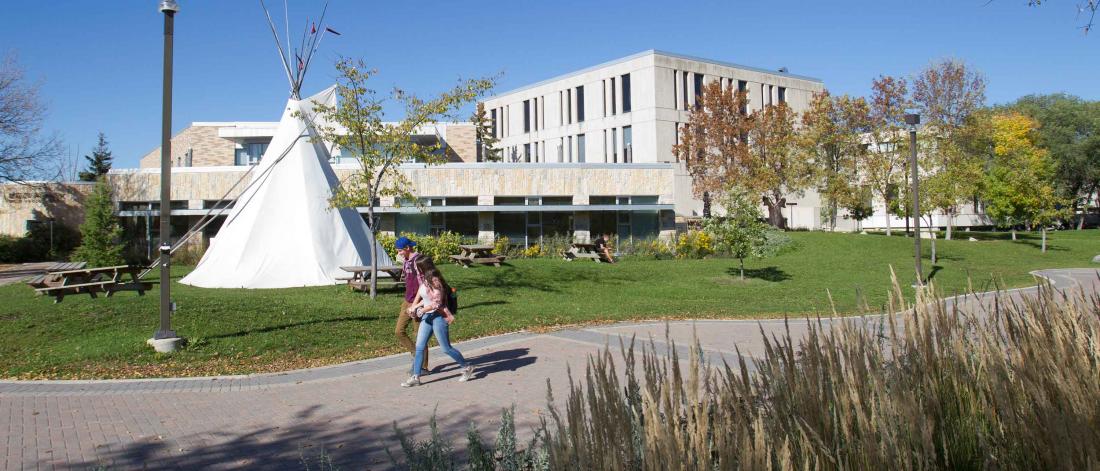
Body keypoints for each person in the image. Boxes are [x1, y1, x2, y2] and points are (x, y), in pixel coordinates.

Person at [401, 255, 474, 387]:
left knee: (446, 348)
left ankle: (467, 367)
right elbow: (426, 298)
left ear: (422, 268)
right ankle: (415, 377)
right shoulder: (425, 279)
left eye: (417, 267)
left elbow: (436, 303)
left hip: (438, 317)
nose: (415, 269)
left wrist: (421, 310)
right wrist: (415, 306)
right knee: (419, 347)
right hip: (427, 317)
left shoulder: (435, 281)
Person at [393, 237, 428, 375]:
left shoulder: (419, 262)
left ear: (407, 248)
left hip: (419, 303)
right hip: (407, 302)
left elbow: (424, 285)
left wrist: (417, 304)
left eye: (400, 250)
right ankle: (416, 354)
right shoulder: (406, 261)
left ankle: (423, 367)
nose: (398, 253)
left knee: (420, 336)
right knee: (398, 331)